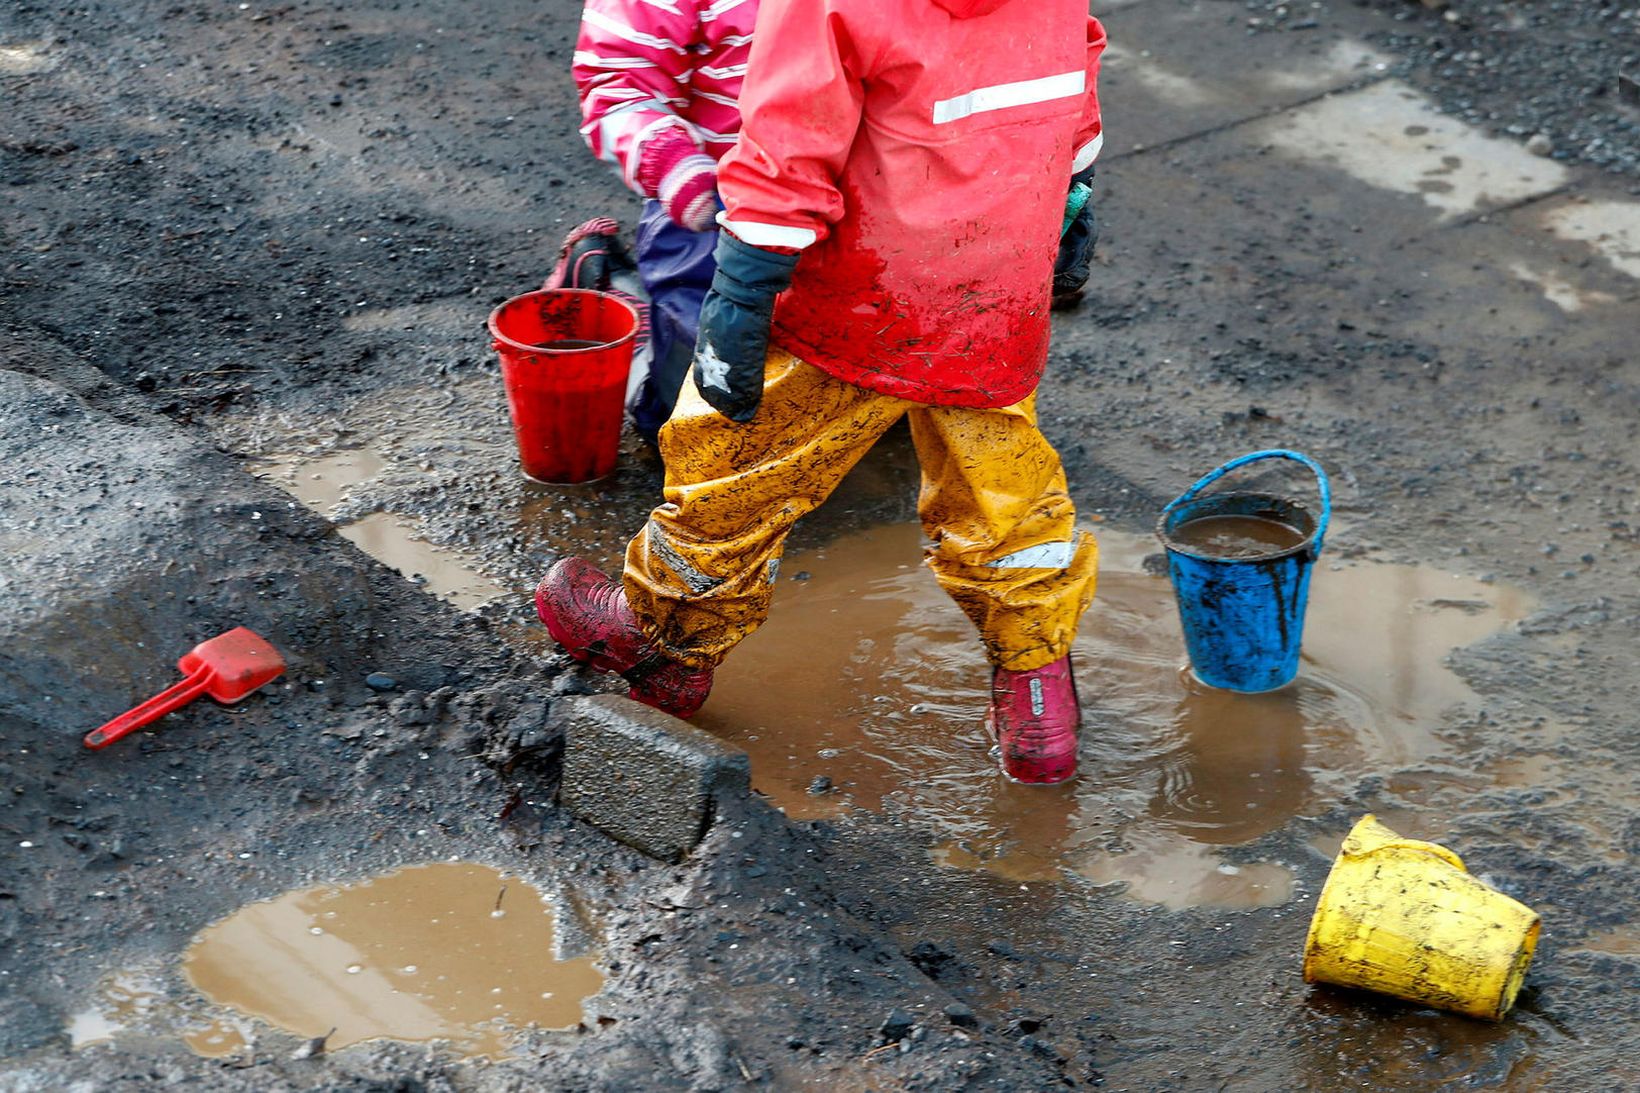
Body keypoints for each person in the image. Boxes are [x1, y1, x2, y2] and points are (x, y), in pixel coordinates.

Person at [538, 0, 1106, 785]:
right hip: (993, 291)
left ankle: (667, 644)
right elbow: (1071, 89)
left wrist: (739, 295)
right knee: (1006, 495)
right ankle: (1038, 699)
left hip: (856, 298)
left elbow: (787, 150)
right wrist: (1073, 203)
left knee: (734, 461)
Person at [546, 0, 759, 444]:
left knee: (876, 388)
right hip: (713, 207)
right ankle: (621, 304)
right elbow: (618, 77)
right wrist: (670, 161)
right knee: (693, 427)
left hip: (864, 214)